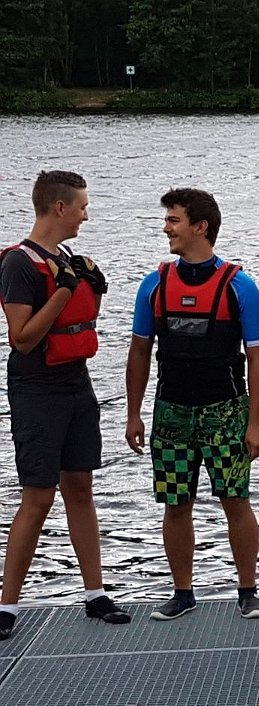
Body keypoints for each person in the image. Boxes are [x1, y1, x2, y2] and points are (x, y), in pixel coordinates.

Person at [125, 188, 259, 620]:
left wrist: (256, 422)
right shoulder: (154, 284)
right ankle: (183, 593)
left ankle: (248, 590)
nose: (166, 228)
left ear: (200, 227)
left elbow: (258, 359)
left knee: (235, 499)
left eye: (173, 220)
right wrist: (133, 414)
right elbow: (139, 352)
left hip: (225, 412)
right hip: (171, 412)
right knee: (175, 503)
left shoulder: (240, 286)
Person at [0, 170, 129, 640]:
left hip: (76, 383)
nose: (85, 215)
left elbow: (77, 322)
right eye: (82, 207)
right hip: (37, 389)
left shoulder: (68, 261)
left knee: (80, 487)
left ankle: (95, 594)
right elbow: (23, 338)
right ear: (60, 207)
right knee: (38, 495)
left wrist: (92, 289)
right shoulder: (18, 264)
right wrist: (64, 290)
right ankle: (7, 605)